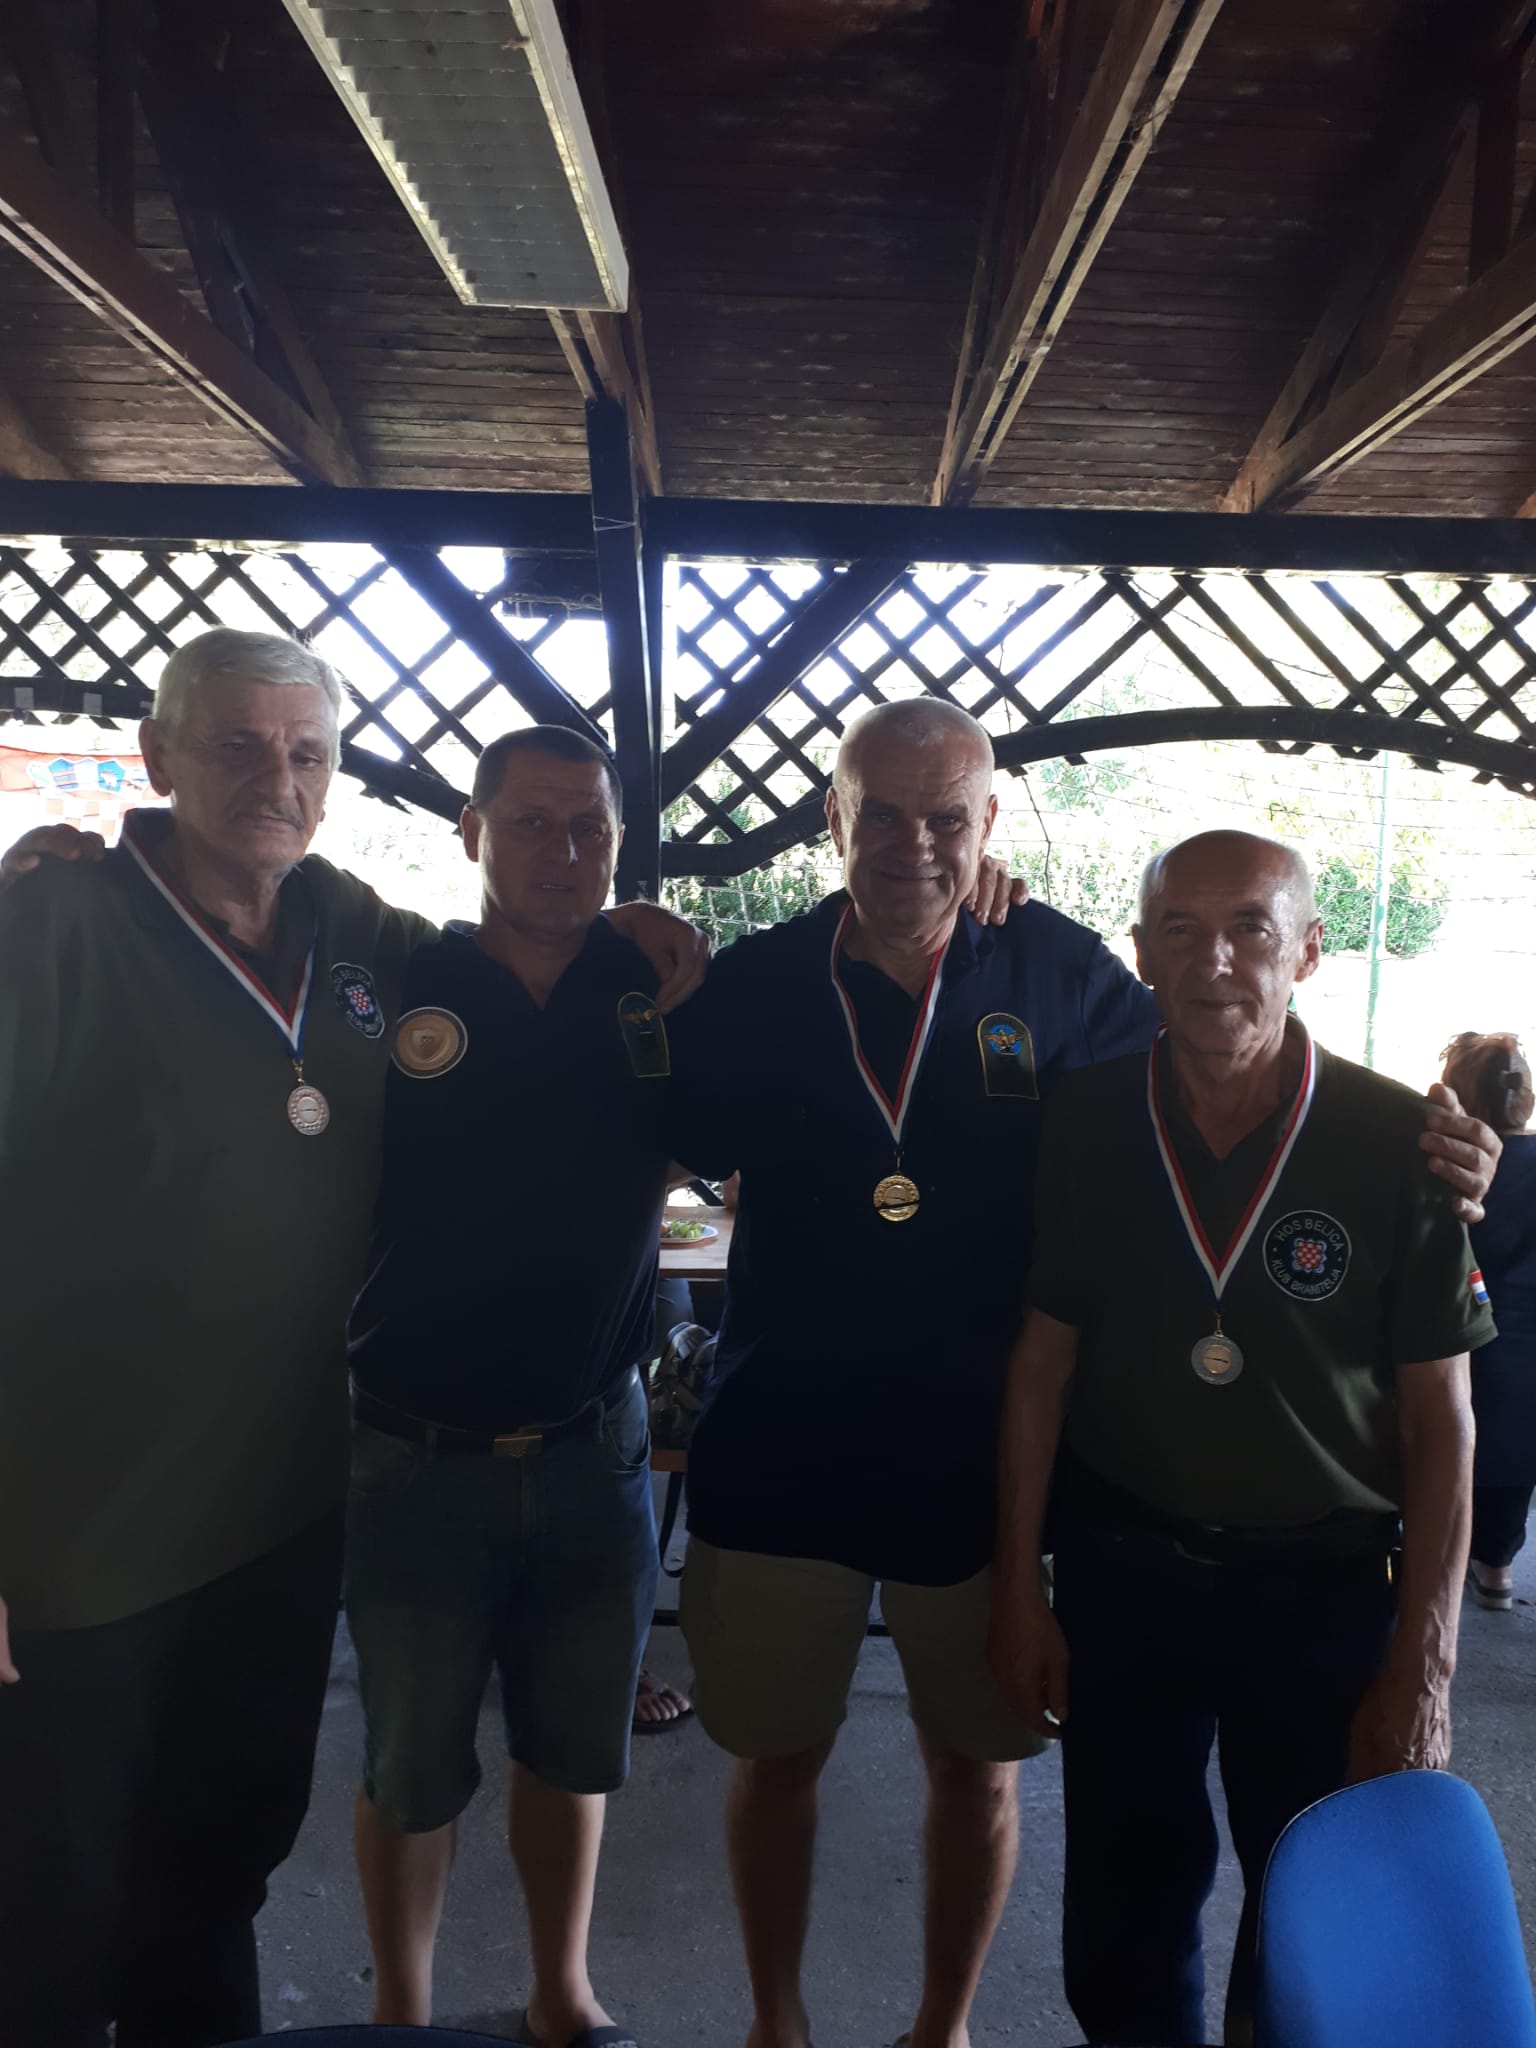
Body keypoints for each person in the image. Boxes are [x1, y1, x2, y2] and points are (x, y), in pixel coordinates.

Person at [663, 710, 1498, 2048]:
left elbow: (1219, 1047)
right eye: (884, 813)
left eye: (948, 817)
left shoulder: (1053, 967)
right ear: (834, 816)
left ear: (990, 824)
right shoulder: (757, 980)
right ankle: (777, 2023)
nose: (915, 844)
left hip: (977, 1471)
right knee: (778, 1764)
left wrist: (1445, 1138)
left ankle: (942, 2028)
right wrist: (631, 950)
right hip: (784, 1458)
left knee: (983, 1773)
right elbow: (653, 1132)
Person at [0, 629, 703, 2048]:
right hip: (80, 1525)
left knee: (220, 1867)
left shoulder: (357, 934)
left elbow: (538, 940)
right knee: (54, 1894)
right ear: (158, 756)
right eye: (237, 744)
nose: (278, 777)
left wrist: (651, 926)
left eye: (306, 751)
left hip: (280, 1508)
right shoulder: (56, 926)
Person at [990, 831, 1496, 2048]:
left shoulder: (1401, 1141)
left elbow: (1443, 1420)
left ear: (1308, 950)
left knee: (1314, 1908)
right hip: (1126, 1574)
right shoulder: (1085, 1118)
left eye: (1250, 927)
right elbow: (1041, 1367)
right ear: (1141, 953)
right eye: (1181, 928)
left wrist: (1424, 1662)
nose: (1214, 959)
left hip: (1322, 1590)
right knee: (1122, 1909)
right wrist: (1018, 1591)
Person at [343, 727, 673, 2047]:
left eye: (589, 826)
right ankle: (403, 2013)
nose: (561, 851)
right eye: (529, 821)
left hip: (598, 1449)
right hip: (412, 1452)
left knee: (575, 1749)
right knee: (411, 1766)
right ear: (472, 831)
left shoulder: (653, 985)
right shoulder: (401, 980)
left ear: (619, 842)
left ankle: (562, 1992)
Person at [1440, 1032, 1536, 1610]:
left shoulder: (1450, 1161)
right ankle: (1496, 1567)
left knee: (1447, 1447)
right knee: (1515, 1459)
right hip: (1529, 1350)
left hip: (1462, 1336)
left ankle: (1437, 1561)